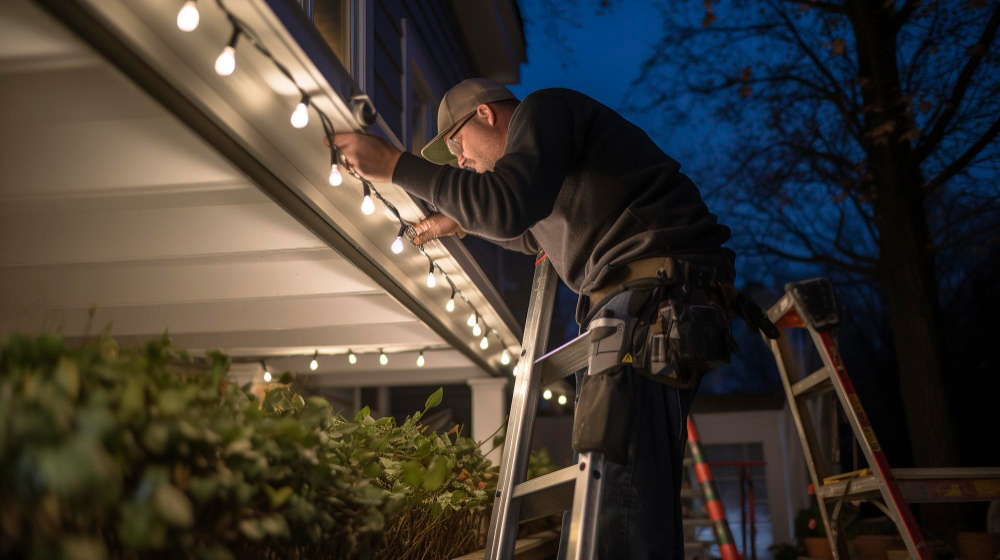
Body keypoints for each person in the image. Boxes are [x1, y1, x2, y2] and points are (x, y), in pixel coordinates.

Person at [331, 78, 771, 560]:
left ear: (485, 114)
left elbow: (506, 209)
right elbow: (528, 233)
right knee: (629, 486)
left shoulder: (542, 110)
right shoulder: (550, 170)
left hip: (651, 298)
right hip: (652, 298)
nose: (460, 160)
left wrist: (395, 166)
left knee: (621, 488)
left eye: (457, 144)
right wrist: (461, 221)